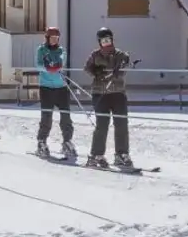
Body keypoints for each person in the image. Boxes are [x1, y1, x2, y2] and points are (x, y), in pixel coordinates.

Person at [83, 28, 134, 170]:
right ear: (100, 42)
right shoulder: (95, 55)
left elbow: (124, 64)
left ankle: (121, 153)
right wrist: (96, 71)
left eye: (108, 40)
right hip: (101, 93)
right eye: (103, 41)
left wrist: (125, 62)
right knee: (102, 124)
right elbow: (87, 68)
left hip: (118, 93)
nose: (106, 43)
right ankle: (97, 154)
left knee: (121, 124)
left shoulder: (118, 54)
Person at [34, 27, 76, 160]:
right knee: (46, 116)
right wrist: (47, 68)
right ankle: (42, 141)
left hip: (61, 87)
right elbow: (38, 65)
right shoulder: (41, 50)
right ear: (47, 38)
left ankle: (67, 141)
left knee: (66, 116)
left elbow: (62, 60)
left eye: (56, 38)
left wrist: (58, 65)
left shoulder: (61, 50)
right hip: (46, 87)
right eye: (51, 38)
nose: (54, 40)